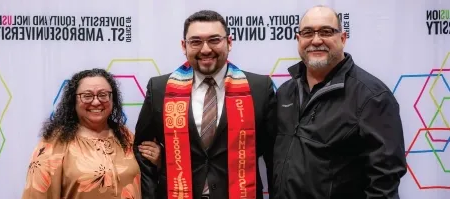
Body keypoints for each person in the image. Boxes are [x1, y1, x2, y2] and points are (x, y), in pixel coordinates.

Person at [133, 10, 276, 199]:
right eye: (196, 42)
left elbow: (274, 154)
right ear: (184, 46)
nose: (206, 49)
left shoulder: (259, 88)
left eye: (214, 40)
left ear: (229, 42)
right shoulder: (160, 88)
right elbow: (143, 149)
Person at [272, 5, 407, 199]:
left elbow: (384, 182)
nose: (316, 40)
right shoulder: (286, 92)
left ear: (342, 39)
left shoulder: (372, 96)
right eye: (308, 32)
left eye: (326, 32)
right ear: (298, 39)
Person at [21, 68, 161, 199]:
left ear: (113, 99)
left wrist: (158, 161)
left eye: (103, 95)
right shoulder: (55, 143)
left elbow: (147, 180)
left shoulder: (125, 136)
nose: (96, 101)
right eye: (87, 96)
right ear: (73, 101)